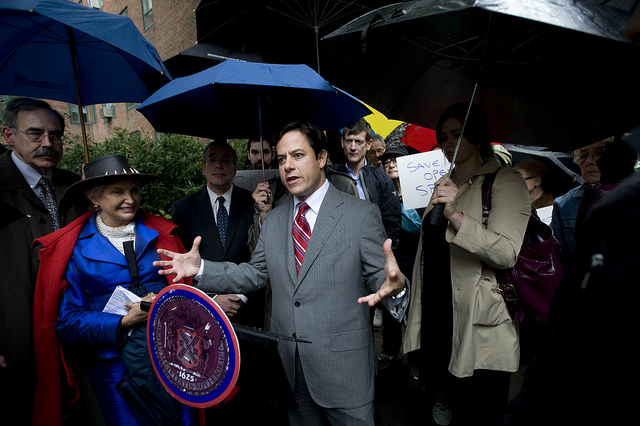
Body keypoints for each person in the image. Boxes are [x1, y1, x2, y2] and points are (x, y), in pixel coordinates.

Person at [153, 121, 409, 426]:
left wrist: (397, 287)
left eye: (298, 155)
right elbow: (255, 273)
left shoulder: (360, 214)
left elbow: (382, 281)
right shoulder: (273, 221)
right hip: (291, 370)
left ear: (323, 158)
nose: (288, 166)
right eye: (282, 159)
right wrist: (201, 269)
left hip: (344, 371)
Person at [32, 155, 196, 426]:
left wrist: (168, 301)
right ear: (93, 196)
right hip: (113, 367)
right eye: (118, 192)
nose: (130, 199)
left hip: (174, 357)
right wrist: (121, 322)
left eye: (134, 190)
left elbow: (187, 295)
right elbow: (67, 322)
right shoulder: (75, 250)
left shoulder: (163, 235)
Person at [403, 103, 530, 426]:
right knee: (442, 401)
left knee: (479, 412)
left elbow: (505, 252)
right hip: (437, 314)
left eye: (458, 135)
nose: (449, 143)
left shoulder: (504, 180)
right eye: (444, 136)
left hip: (478, 321)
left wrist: (457, 217)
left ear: (477, 136)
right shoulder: (442, 183)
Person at [171, 141, 276, 424]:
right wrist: (214, 299)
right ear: (204, 167)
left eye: (225, 160)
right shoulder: (182, 209)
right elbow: (182, 267)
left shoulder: (254, 202)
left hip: (248, 312)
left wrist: (240, 297)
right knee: (212, 387)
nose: (219, 165)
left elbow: (262, 259)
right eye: (212, 160)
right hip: (206, 315)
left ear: (234, 167)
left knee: (251, 391)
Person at [0, 98, 87, 425]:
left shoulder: (76, 188)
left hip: (77, 333)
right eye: (35, 134)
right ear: (8, 135)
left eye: (56, 135)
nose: (48, 143)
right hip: (18, 339)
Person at [378, 144, 425, 387]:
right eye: (387, 160)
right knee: (390, 310)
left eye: (397, 160)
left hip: (415, 260)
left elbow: (422, 228)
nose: (391, 163)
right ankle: (390, 350)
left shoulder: (422, 195)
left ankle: (416, 361)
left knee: (415, 313)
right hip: (390, 261)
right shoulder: (382, 195)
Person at [330, 118, 401, 248]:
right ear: (342, 142)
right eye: (348, 141)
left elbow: (392, 220)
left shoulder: (382, 180)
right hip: (338, 249)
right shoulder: (331, 176)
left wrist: (383, 251)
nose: (352, 147)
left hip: (373, 249)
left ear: (368, 144)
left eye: (358, 142)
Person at [550, 137, 610, 254]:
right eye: (583, 155)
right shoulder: (564, 204)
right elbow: (558, 256)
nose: (589, 161)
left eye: (599, 153)